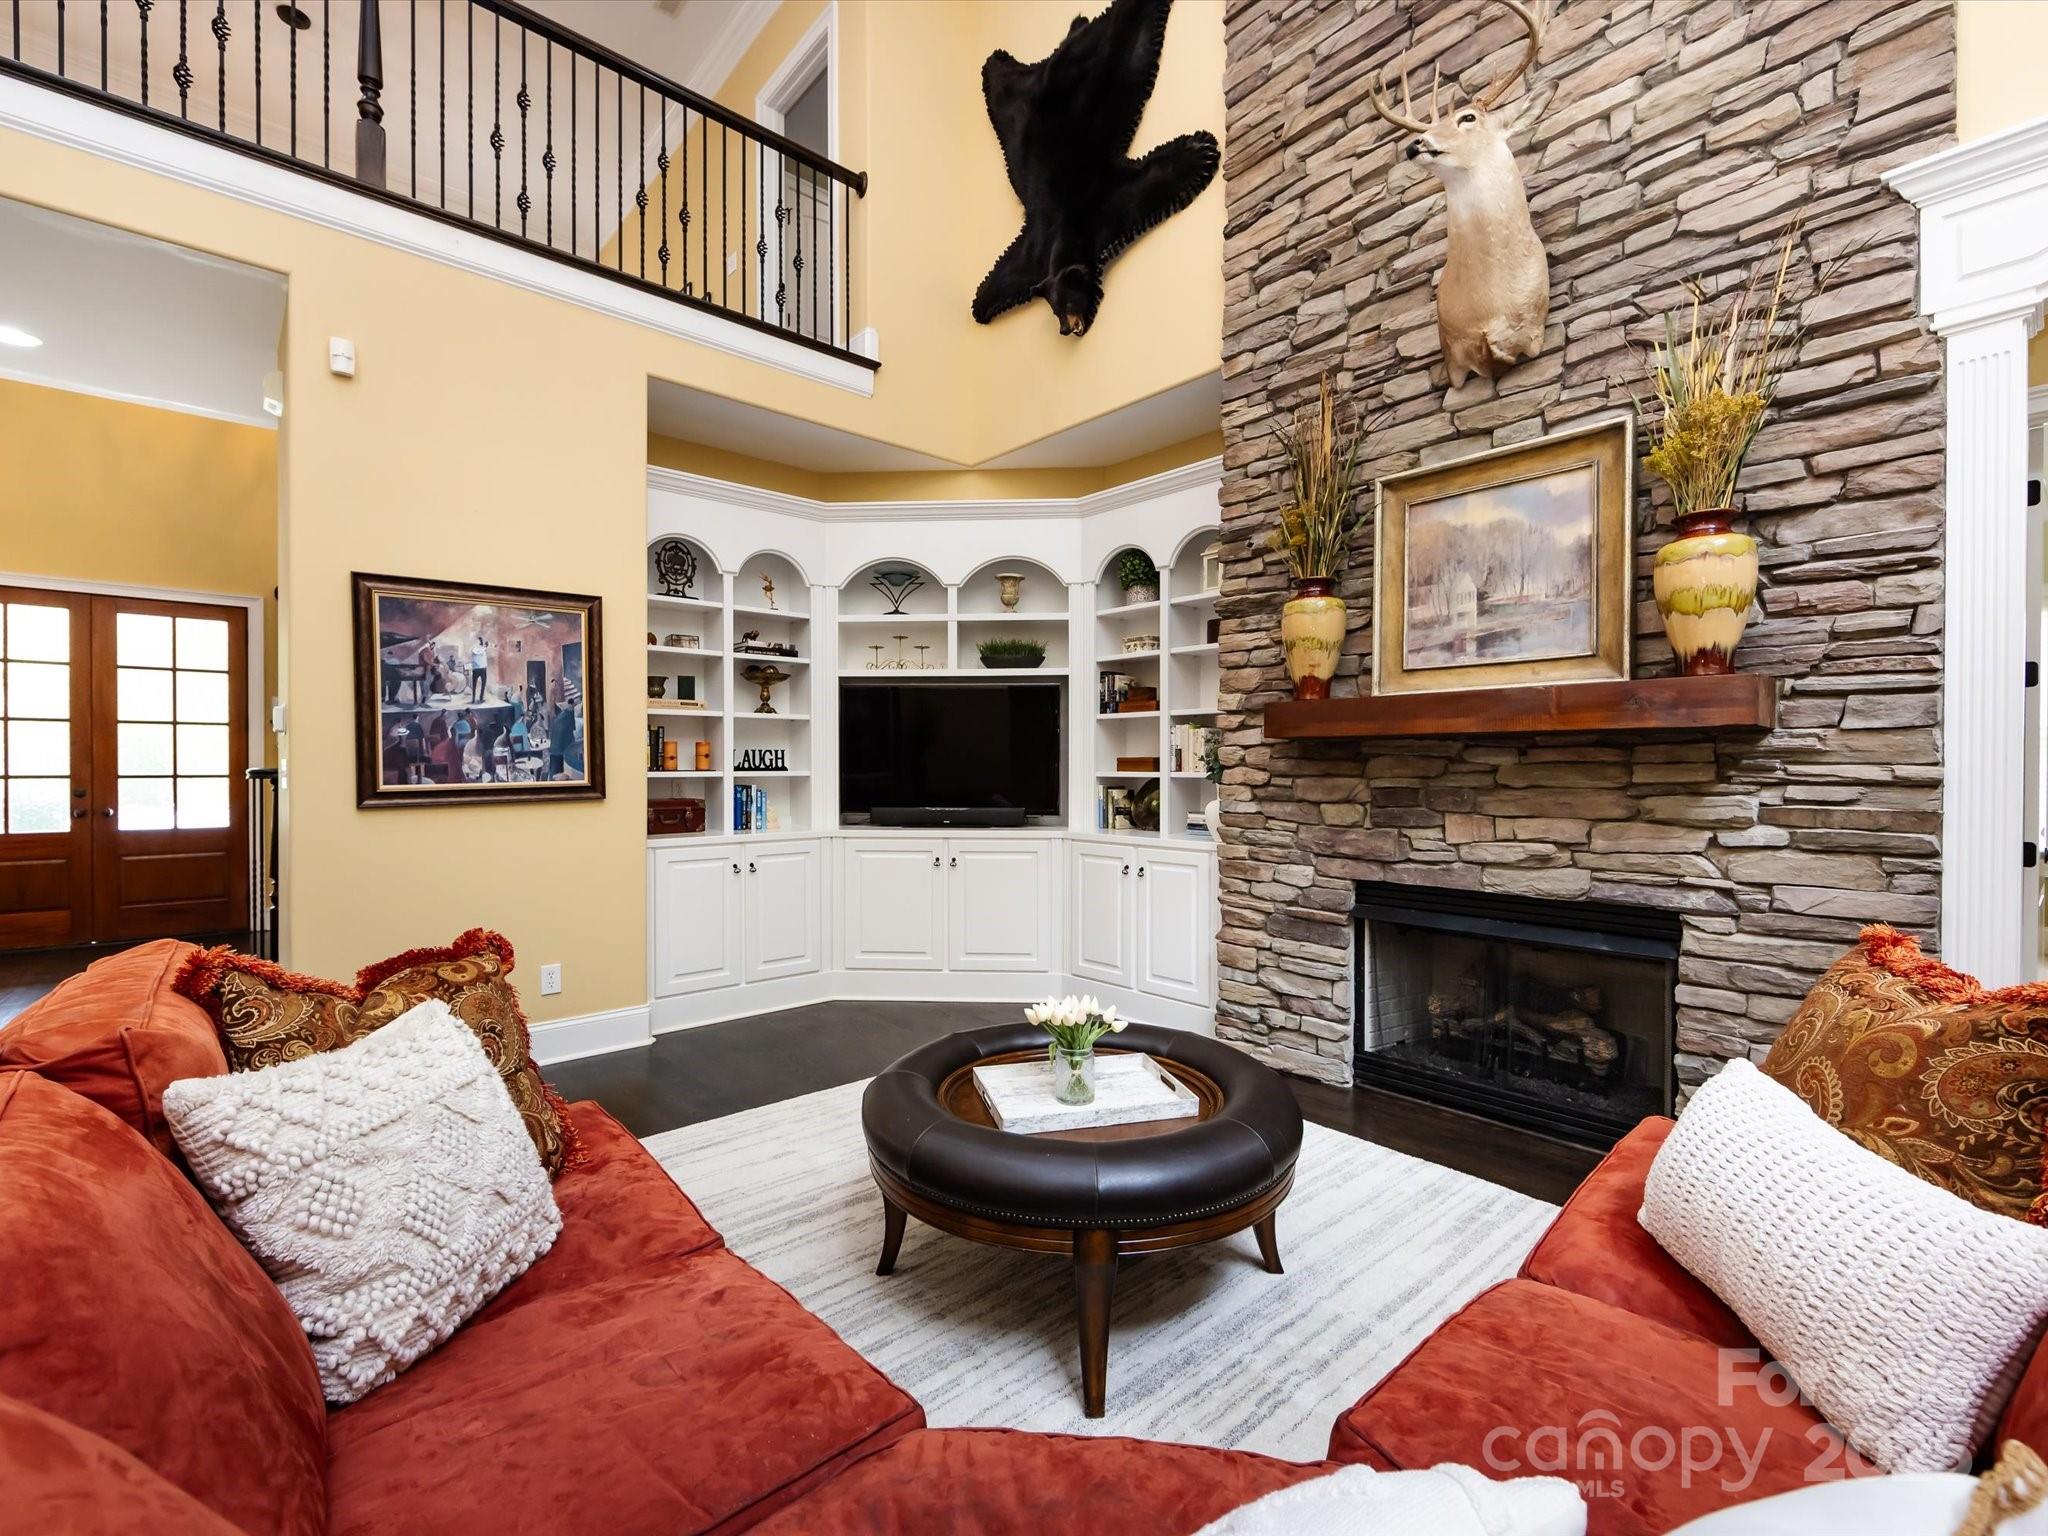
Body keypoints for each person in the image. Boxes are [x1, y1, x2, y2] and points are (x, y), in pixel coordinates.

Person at [468, 634, 489, 704]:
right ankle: (473, 698)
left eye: (481, 641)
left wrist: (485, 647)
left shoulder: (483, 649)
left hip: (483, 668)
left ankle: (481, 697)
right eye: (481, 641)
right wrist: (485, 647)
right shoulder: (475, 649)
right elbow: (478, 652)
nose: (481, 643)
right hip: (477, 669)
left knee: (483, 684)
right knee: (474, 685)